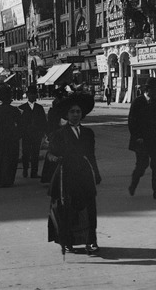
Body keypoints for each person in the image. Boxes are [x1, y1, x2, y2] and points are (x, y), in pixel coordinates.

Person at [46, 92, 102, 255]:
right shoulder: (58, 134)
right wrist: (57, 159)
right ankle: (67, 242)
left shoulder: (88, 134)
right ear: (67, 114)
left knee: (89, 209)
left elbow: (91, 155)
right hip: (66, 175)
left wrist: (96, 174)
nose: (76, 115)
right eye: (72, 112)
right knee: (66, 210)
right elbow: (49, 154)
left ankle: (91, 241)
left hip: (85, 174)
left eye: (78, 112)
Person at [127, 77, 156, 200]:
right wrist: (137, 136)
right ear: (148, 90)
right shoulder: (137, 102)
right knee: (142, 165)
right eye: (155, 91)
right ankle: (134, 183)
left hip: (154, 140)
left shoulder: (155, 102)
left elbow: (155, 120)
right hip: (141, 140)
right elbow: (132, 121)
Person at [0, 84, 22, 187]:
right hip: (11, 137)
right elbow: (21, 125)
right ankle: (8, 179)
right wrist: (17, 135)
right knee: (11, 158)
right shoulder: (15, 111)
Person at [20, 84, 48, 179]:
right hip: (26, 134)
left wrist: (43, 132)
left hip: (36, 134)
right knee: (26, 153)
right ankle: (25, 169)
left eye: (34, 94)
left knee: (35, 153)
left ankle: (34, 172)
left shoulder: (39, 108)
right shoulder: (22, 108)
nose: (33, 96)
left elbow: (43, 121)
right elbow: (19, 122)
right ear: (27, 95)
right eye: (31, 94)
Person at [41, 88, 67, 184]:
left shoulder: (54, 109)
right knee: (56, 154)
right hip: (57, 134)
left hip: (56, 133)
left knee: (54, 154)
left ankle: (50, 177)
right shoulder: (59, 108)